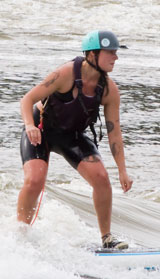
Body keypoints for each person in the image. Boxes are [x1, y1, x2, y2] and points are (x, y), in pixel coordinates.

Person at [17, 30, 133, 249]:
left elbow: (114, 132)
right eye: (110, 52)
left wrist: (122, 170)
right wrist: (30, 126)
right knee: (35, 180)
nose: (115, 58)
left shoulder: (109, 90)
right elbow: (27, 99)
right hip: (42, 128)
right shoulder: (65, 74)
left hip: (72, 135)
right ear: (91, 54)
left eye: (116, 53)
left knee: (101, 178)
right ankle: (21, 234)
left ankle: (107, 239)